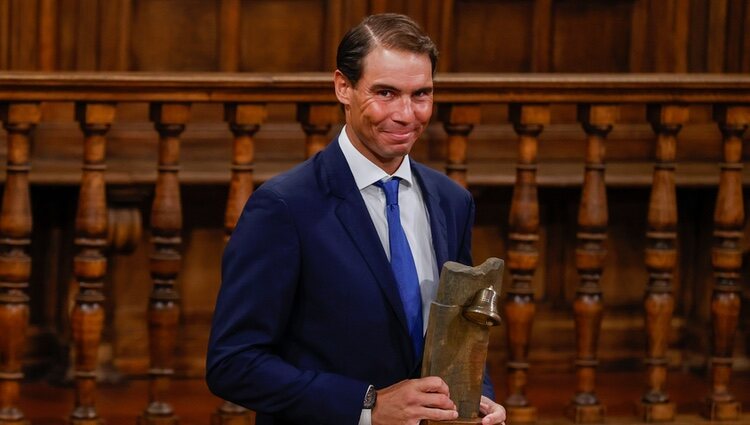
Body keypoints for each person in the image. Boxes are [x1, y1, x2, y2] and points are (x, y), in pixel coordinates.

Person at [206, 13, 507, 425]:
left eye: (421, 94)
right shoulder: (283, 207)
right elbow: (233, 363)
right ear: (342, 87)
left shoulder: (451, 201)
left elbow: (461, 333)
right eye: (386, 93)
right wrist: (368, 406)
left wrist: (478, 398)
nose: (406, 114)